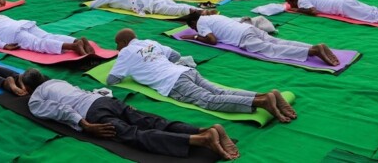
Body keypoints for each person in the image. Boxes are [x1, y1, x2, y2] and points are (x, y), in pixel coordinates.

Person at [20, 68, 239, 160]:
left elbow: (60, 110)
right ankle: (204, 129)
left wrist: (83, 124)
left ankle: (200, 139)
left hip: (92, 112)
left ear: (29, 89)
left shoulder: (35, 100)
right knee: (153, 121)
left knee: (136, 135)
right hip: (104, 100)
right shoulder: (57, 81)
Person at [110, 29, 295, 123]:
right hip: (186, 71)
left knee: (209, 100)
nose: (117, 48)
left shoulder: (125, 53)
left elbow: (112, 79)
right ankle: (265, 96)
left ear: (125, 42)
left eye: (118, 44)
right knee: (219, 91)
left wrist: (132, 70)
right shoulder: (149, 42)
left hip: (173, 83)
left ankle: (261, 102)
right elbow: (174, 56)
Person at [179, 13, 339, 65]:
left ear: (193, 22)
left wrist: (193, 36)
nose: (195, 29)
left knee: (273, 49)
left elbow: (212, 40)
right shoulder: (213, 16)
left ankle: (312, 51)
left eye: (192, 27)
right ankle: (313, 46)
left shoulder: (200, 23)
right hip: (248, 28)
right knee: (277, 42)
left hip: (243, 36)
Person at [0, 9, 95, 55]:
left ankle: (73, 46)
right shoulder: (0, 16)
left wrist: (3, 45)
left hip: (13, 34)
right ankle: (77, 40)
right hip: (24, 24)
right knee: (48, 35)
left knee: (38, 43)